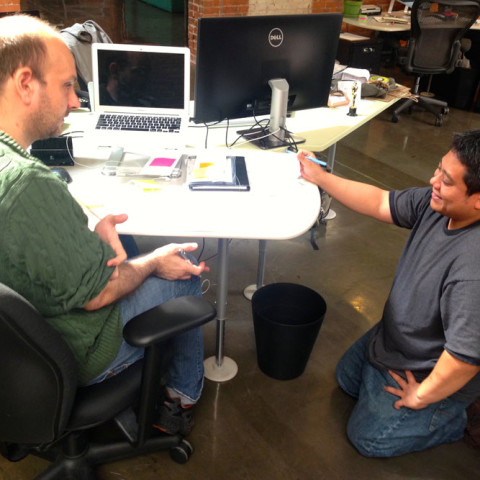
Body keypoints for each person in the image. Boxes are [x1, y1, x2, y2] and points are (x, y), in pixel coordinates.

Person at [0, 14, 209, 437]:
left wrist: (88, 237)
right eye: (66, 86)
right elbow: (97, 297)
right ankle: (181, 398)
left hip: (18, 348)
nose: (75, 101)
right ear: (25, 84)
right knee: (183, 270)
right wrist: (156, 260)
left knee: (125, 246)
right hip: (73, 351)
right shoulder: (27, 184)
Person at [297, 131, 480, 457]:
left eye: (447, 181)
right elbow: (381, 201)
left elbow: (464, 359)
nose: (434, 181)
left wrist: (422, 395)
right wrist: (320, 177)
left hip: (426, 366)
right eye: (439, 169)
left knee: (368, 439)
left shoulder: (472, 271)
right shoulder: (438, 205)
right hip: (398, 337)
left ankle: (447, 417)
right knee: (346, 379)